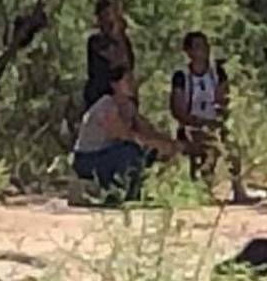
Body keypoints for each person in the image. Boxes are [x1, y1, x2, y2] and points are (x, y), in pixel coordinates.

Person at [169, 31, 262, 205]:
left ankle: (238, 190)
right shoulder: (182, 76)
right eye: (198, 47)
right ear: (188, 52)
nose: (204, 51)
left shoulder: (217, 72)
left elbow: (223, 100)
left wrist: (219, 119)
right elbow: (178, 110)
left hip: (214, 124)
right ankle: (204, 190)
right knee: (208, 148)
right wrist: (199, 123)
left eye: (205, 46)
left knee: (232, 146)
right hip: (190, 126)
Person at [73, 68, 186, 202]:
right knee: (131, 151)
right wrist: (157, 145)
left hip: (109, 154)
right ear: (114, 85)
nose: (133, 84)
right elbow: (125, 135)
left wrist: (171, 144)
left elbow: (147, 130)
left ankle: (141, 188)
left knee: (148, 152)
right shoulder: (106, 106)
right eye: (128, 81)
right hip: (89, 158)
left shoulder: (128, 106)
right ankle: (125, 191)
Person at [83, 0, 135, 111]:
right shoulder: (95, 41)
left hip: (121, 96)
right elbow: (113, 62)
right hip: (100, 97)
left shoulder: (123, 41)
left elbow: (127, 65)